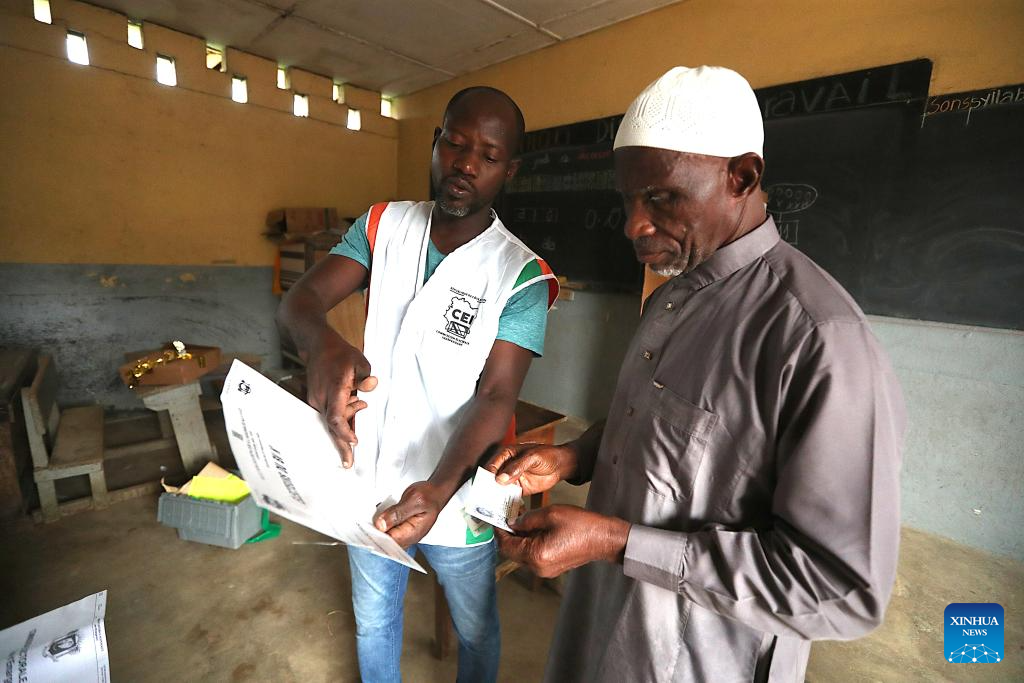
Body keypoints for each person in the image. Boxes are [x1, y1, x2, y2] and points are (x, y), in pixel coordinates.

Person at [487, 66, 906, 682]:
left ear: (742, 177)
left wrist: (616, 542)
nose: (633, 224)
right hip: (603, 618)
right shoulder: (671, 299)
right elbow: (661, 429)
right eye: (627, 200)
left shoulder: (818, 340)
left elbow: (841, 589)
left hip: (699, 658)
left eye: (661, 198)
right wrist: (573, 458)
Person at [277, 86, 558, 683]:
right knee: (374, 622)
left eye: (487, 156)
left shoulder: (521, 275)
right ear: (435, 144)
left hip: (456, 493)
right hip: (369, 480)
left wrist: (438, 490)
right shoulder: (384, 225)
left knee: (475, 628)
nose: (465, 164)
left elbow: (497, 396)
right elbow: (301, 301)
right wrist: (321, 343)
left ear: (509, 170)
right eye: (455, 144)